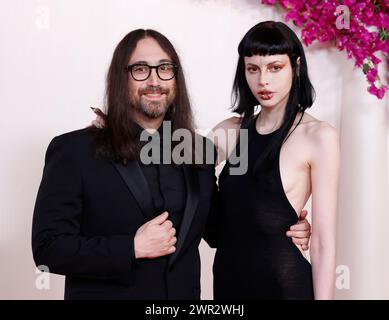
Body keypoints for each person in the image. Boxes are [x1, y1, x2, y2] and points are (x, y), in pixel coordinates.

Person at [32, 28, 312, 300]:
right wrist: (131, 248)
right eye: (140, 69)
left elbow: (222, 230)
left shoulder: (198, 151)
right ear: (121, 78)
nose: (155, 80)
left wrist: (281, 222)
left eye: (165, 68)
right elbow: (48, 248)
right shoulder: (75, 150)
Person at [206, 21, 339, 300]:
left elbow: (323, 242)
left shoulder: (317, 136)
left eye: (275, 68)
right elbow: (172, 168)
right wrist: (117, 129)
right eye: (253, 69)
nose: (263, 81)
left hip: (286, 286)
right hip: (229, 286)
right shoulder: (229, 132)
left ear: (296, 67)